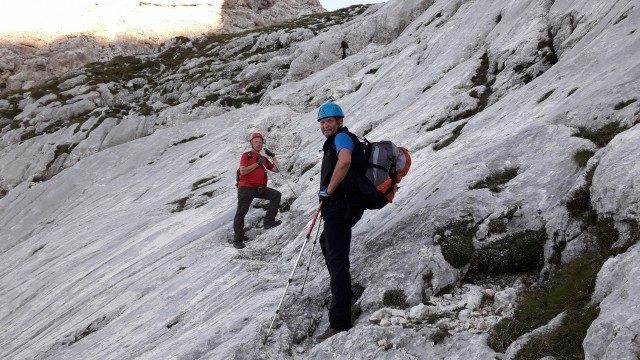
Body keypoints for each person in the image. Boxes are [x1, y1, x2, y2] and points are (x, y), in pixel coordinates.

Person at [315, 102, 366, 342]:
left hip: (341, 207)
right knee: (327, 242)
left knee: (337, 260)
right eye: (323, 122)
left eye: (329, 121)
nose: (325, 125)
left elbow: (344, 161)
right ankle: (342, 290)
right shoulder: (337, 140)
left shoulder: (342, 139)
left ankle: (340, 322)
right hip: (342, 206)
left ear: (340, 122)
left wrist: (329, 190)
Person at [232, 132, 282, 249]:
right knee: (241, 212)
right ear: (251, 143)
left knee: (276, 195)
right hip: (245, 188)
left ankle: (268, 221)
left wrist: (273, 156)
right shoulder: (247, 155)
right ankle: (237, 239)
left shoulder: (264, 159)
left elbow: (276, 169)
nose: (259, 144)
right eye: (256, 142)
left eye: (260, 142)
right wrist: (256, 164)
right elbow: (243, 171)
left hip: (259, 188)